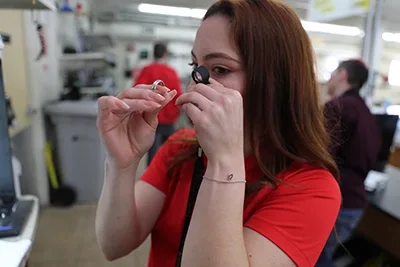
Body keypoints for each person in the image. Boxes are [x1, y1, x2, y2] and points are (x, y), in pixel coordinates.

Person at [95, 1, 341, 267]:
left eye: (221, 69)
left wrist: (224, 162)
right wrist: (121, 165)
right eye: (195, 66)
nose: (195, 85)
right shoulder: (180, 149)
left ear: (276, 81)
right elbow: (114, 245)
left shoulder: (311, 188)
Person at [316, 59, 381, 267]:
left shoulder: (337, 107)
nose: (330, 78)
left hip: (337, 201)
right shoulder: (366, 112)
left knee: (316, 260)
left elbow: (319, 155)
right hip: (354, 204)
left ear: (343, 74)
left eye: (333, 73)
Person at [133, 42, 183, 165]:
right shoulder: (171, 72)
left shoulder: (147, 70)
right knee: (171, 154)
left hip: (151, 119)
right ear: (165, 54)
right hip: (169, 120)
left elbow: (137, 91)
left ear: (153, 54)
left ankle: (151, 181)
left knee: (153, 156)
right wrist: (175, 114)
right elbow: (178, 96)